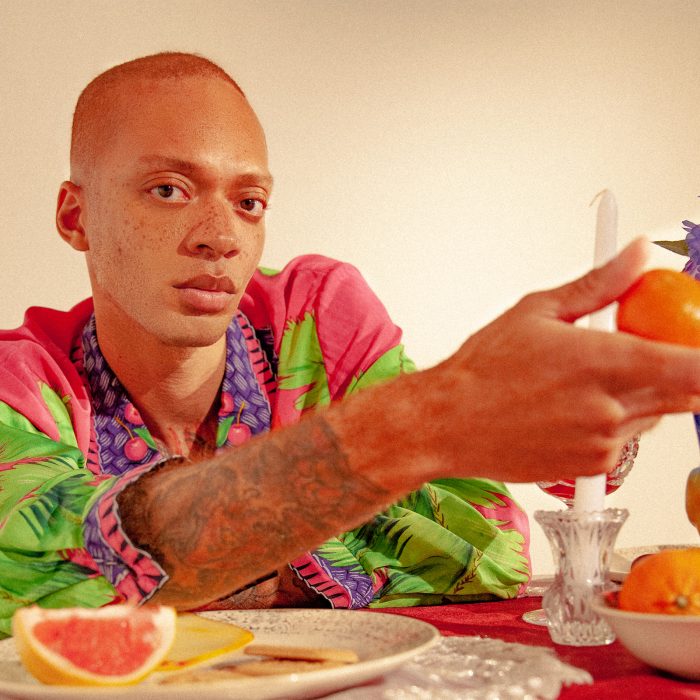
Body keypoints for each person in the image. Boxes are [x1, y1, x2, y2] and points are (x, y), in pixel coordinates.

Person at [1, 52, 699, 637]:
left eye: (249, 202)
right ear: (75, 215)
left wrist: (206, 563)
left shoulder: (317, 316)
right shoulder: (20, 386)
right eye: (168, 189)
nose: (221, 236)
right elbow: (30, 586)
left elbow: (486, 550)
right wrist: (419, 428)